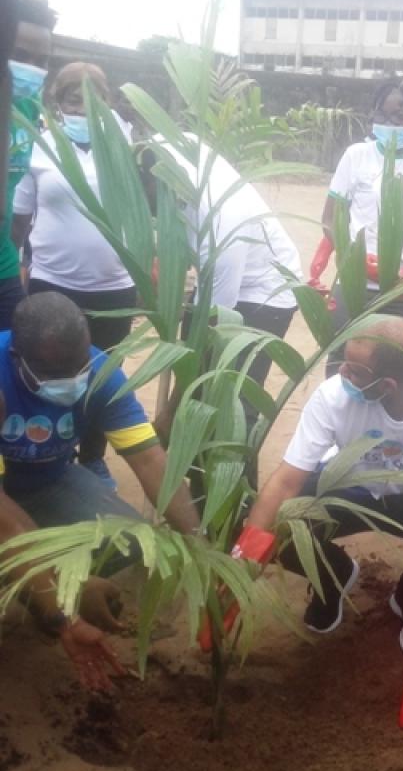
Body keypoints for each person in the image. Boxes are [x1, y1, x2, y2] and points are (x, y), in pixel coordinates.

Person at [246, 317, 403, 734]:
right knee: (281, 518)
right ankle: (332, 575)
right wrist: (242, 562)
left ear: (387, 385)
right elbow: (285, 482)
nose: (341, 372)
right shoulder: (334, 395)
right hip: (349, 487)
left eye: (354, 369)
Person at [0, 292, 201, 688]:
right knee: (17, 553)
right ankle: (37, 595)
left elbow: (150, 461)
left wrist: (201, 547)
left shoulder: (100, 372)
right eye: (53, 374)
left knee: (131, 540)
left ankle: (38, 592)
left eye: (77, 369)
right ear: (17, 357)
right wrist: (65, 603)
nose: (70, 381)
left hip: (49, 481)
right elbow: (5, 523)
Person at [140, 141, 302, 483]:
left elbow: (214, 330)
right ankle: (197, 480)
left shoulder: (222, 219)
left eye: (148, 196)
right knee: (197, 396)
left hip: (266, 293)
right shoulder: (165, 152)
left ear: (163, 185)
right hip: (218, 283)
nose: (147, 206)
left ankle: (233, 497)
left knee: (231, 399)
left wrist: (170, 411)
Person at [12, 62, 137, 486]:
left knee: (102, 376)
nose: (82, 105)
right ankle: (55, 451)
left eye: (93, 95)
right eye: (71, 95)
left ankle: (93, 457)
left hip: (114, 287)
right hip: (53, 285)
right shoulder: (38, 148)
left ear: (108, 100)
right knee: (50, 370)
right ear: (56, 101)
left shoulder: (127, 145)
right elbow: (19, 222)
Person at [314, 78, 403, 375]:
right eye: (382, 116)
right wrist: (360, 262)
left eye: (399, 116)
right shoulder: (357, 156)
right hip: (355, 286)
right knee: (343, 364)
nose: (389, 124)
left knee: (398, 370)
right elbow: (330, 220)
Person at [0, 0, 57, 329]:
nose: (31, 69)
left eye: (42, 61)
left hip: (4, 265)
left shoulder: (28, 106)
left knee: (15, 351)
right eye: (20, 56)